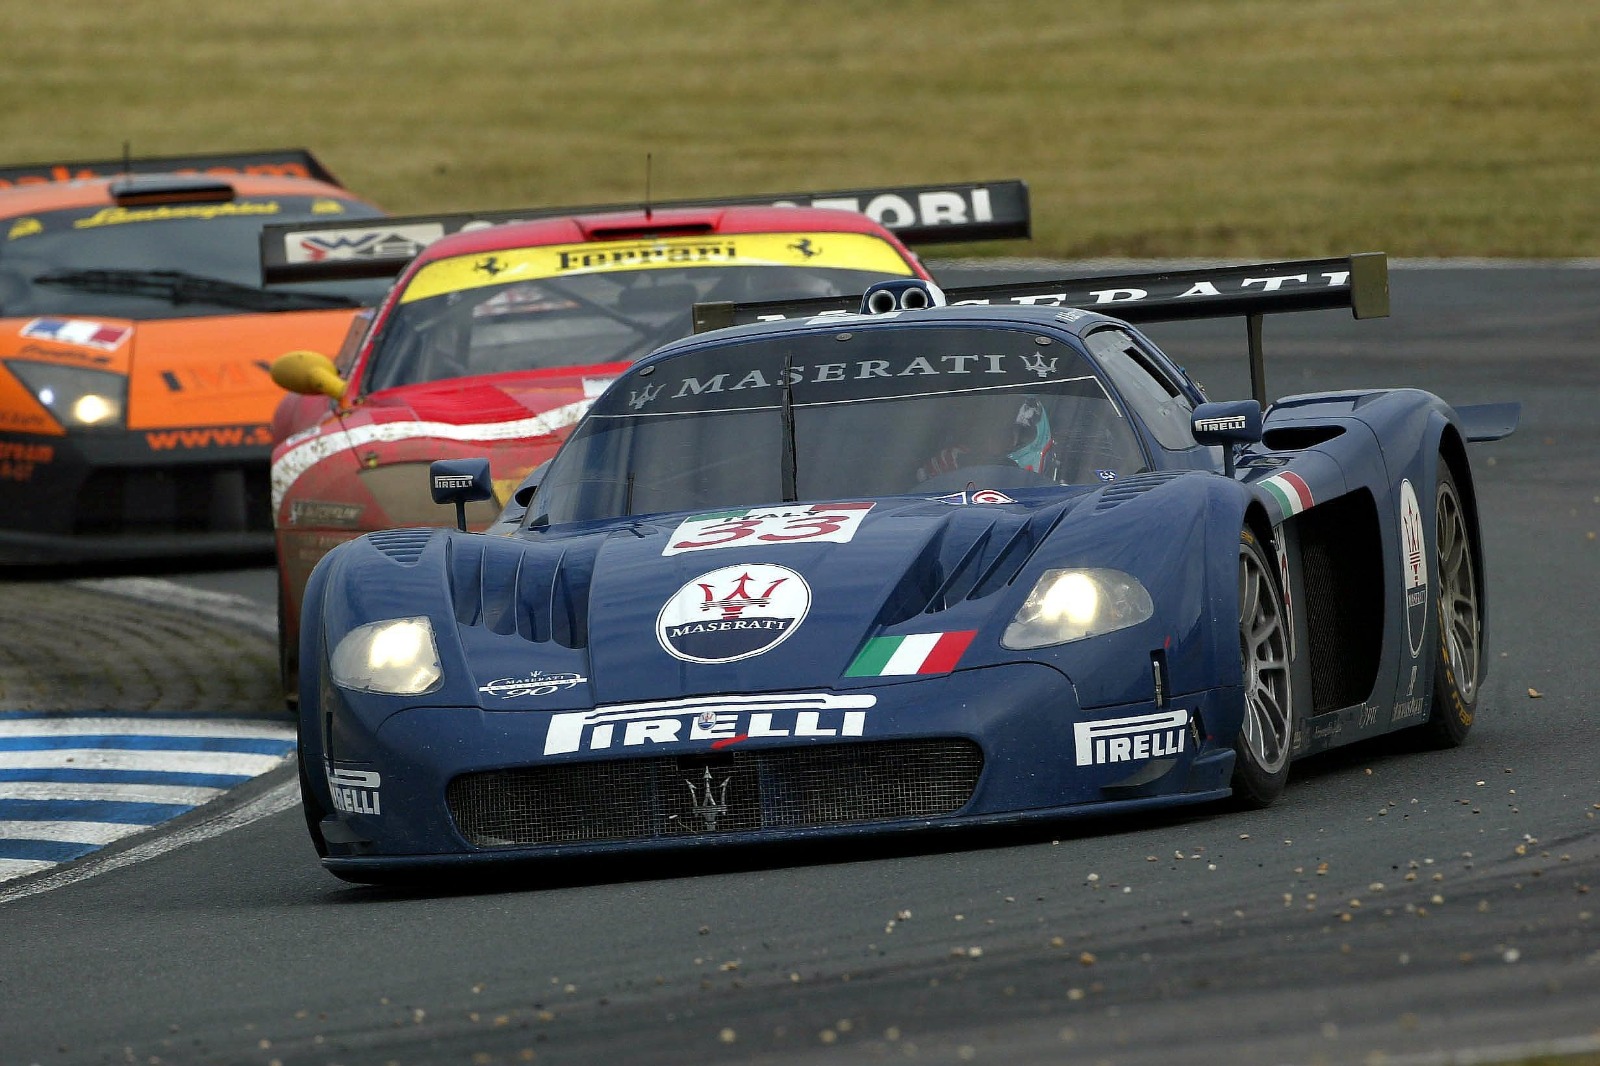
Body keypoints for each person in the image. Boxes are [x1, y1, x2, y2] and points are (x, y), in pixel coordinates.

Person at [915, 395, 1060, 484]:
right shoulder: (950, 460)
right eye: (979, 436)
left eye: (1003, 437)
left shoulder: (1069, 504)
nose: (989, 446)